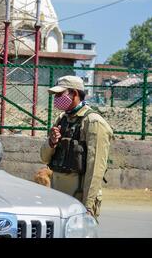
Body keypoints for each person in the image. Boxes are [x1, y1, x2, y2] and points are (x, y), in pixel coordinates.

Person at [40, 75, 113, 221]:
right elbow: (44, 158)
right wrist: (52, 142)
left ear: (74, 93)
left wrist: (88, 206)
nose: (56, 98)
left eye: (60, 94)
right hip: (58, 196)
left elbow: (95, 169)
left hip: (78, 198)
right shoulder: (62, 119)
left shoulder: (93, 122)